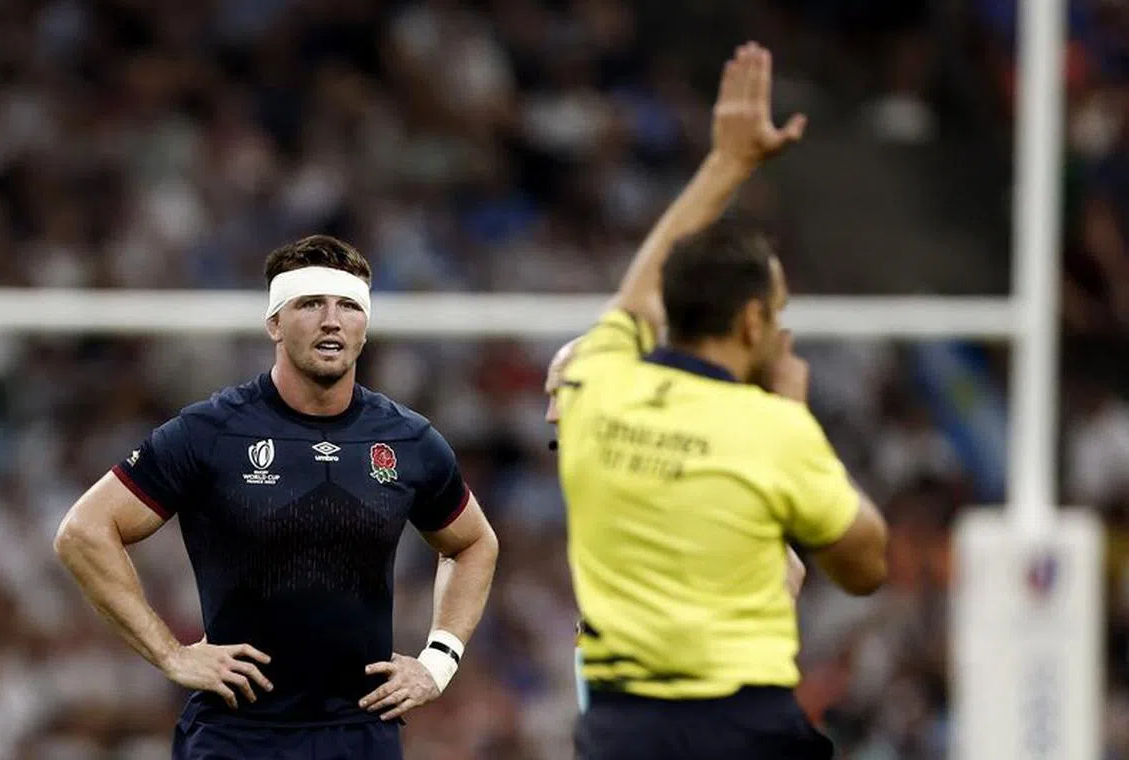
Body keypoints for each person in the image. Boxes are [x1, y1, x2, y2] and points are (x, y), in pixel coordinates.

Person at [549, 43, 889, 759]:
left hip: (618, 733)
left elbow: (637, 292)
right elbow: (866, 566)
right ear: (751, 322)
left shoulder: (592, 383)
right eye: (780, 308)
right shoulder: (772, 430)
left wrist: (727, 163)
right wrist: (796, 420)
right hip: (741, 730)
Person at [54, 235, 499, 760]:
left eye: (349, 305)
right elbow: (83, 532)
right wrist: (170, 654)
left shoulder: (409, 439)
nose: (331, 320)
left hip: (361, 733)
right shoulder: (212, 431)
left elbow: (473, 543)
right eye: (310, 304)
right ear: (274, 323)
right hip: (236, 735)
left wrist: (439, 661)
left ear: (365, 326)